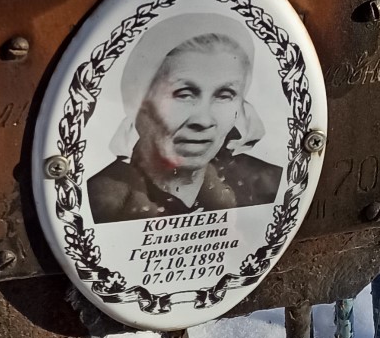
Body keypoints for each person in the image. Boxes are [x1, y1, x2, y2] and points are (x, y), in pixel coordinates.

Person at [86, 15, 282, 222]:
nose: (203, 120)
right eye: (184, 94)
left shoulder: (265, 186)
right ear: (140, 100)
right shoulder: (101, 202)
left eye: (224, 95)